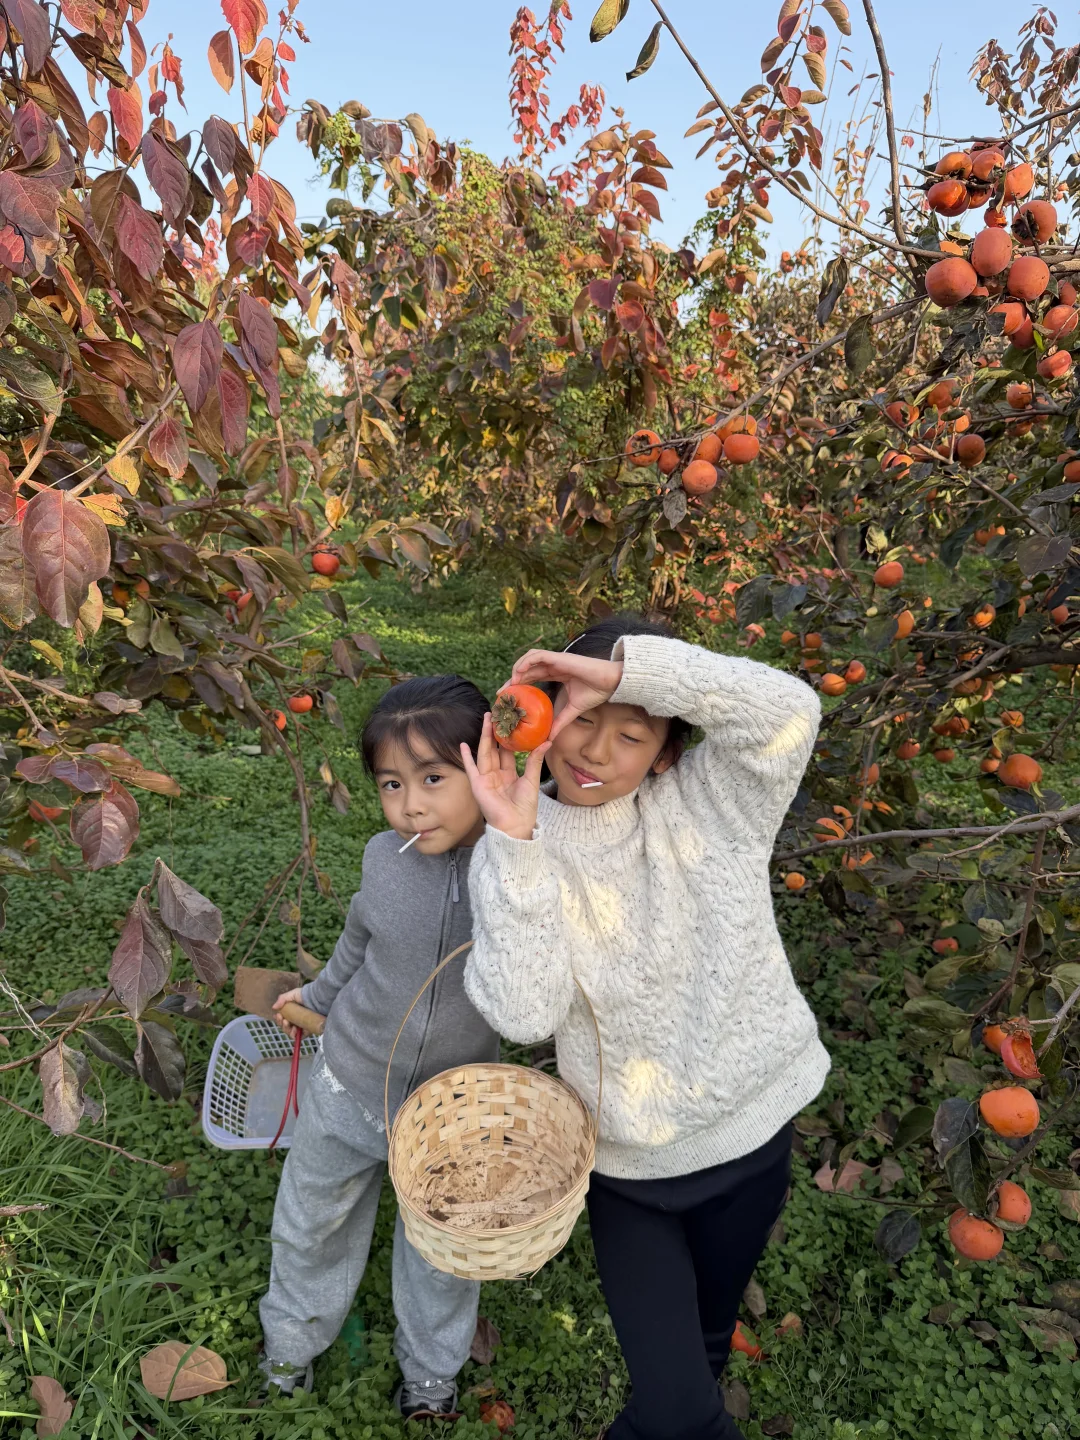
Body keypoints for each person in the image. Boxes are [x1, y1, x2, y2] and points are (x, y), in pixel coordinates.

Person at [459, 616, 830, 1440]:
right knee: (677, 1410)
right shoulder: (516, 845)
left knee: (701, 1351)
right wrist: (515, 843)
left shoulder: (715, 806)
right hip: (632, 1175)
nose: (596, 751)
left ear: (666, 751)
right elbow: (522, 1012)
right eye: (581, 720)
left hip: (753, 1132)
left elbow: (788, 710)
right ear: (545, 718)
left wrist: (628, 672)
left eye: (630, 733)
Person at [259, 674, 499, 1418]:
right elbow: (356, 941)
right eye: (391, 783)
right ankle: (289, 1351)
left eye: (433, 778)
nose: (410, 805)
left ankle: (430, 1380)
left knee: (441, 1252)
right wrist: (317, 1001)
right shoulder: (381, 858)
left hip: (451, 1112)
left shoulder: (517, 873)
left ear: (486, 768)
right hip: (351, 1083)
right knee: (311, 1223)